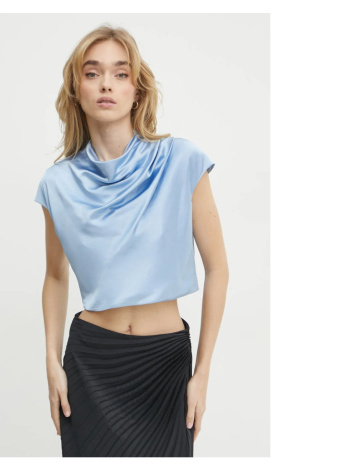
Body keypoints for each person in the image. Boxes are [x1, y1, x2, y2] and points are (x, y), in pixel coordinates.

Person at [34, 24, 229, 457]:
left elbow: (218, 269)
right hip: (92, 365)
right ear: (76, 89)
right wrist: (51, 363)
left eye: (120, 74)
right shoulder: (57, 184)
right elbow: (55, 275)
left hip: (165, 365)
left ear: (137, 91)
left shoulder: (181, 161)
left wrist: (202, 373)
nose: (106, 83)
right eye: (92, 73)